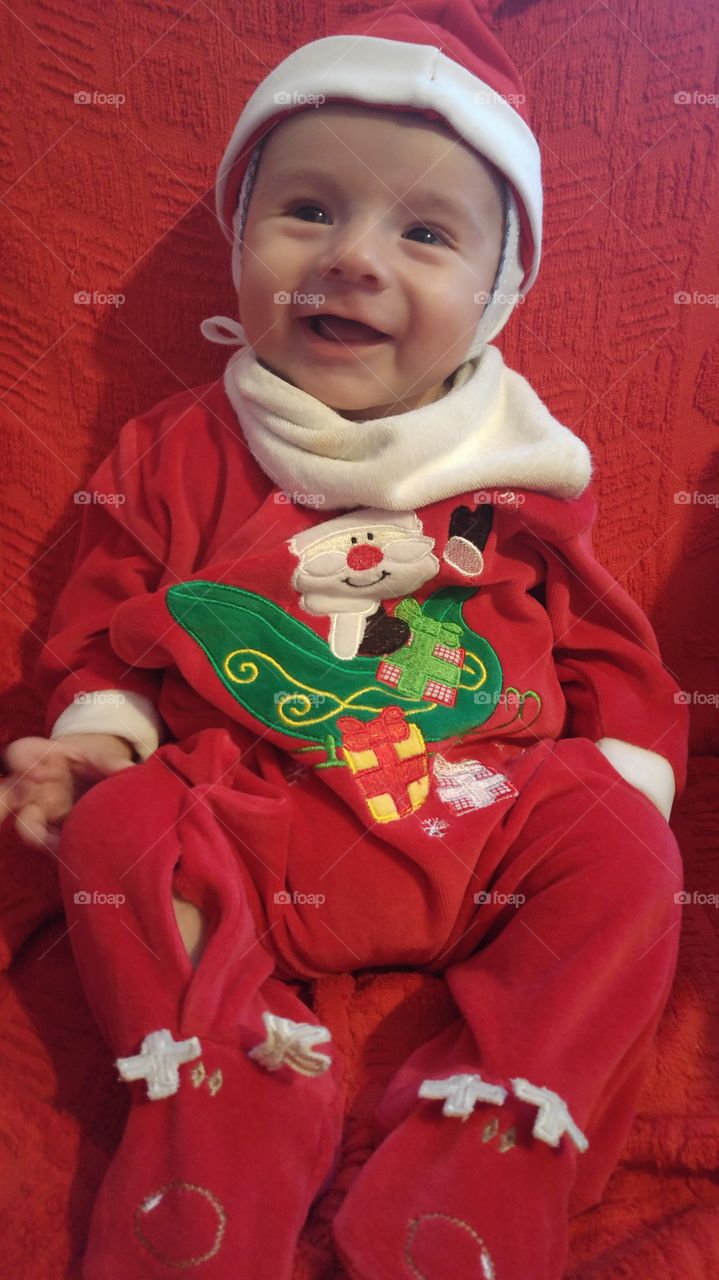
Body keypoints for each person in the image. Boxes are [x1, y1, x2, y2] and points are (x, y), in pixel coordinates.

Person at [0, 1, 688, 1277]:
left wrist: (616, 771)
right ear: (239, 237)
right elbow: (106, 619)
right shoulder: (178, 445)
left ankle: (485, 1140)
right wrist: (93, 738)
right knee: (115, 837)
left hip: (476, 806)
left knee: (631, 862)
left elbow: (608, 648)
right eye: (308, 211)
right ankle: (224, 1086)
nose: (354, 258)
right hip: (251, 811)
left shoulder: (521, 469)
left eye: (424, 233)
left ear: (496, 292)